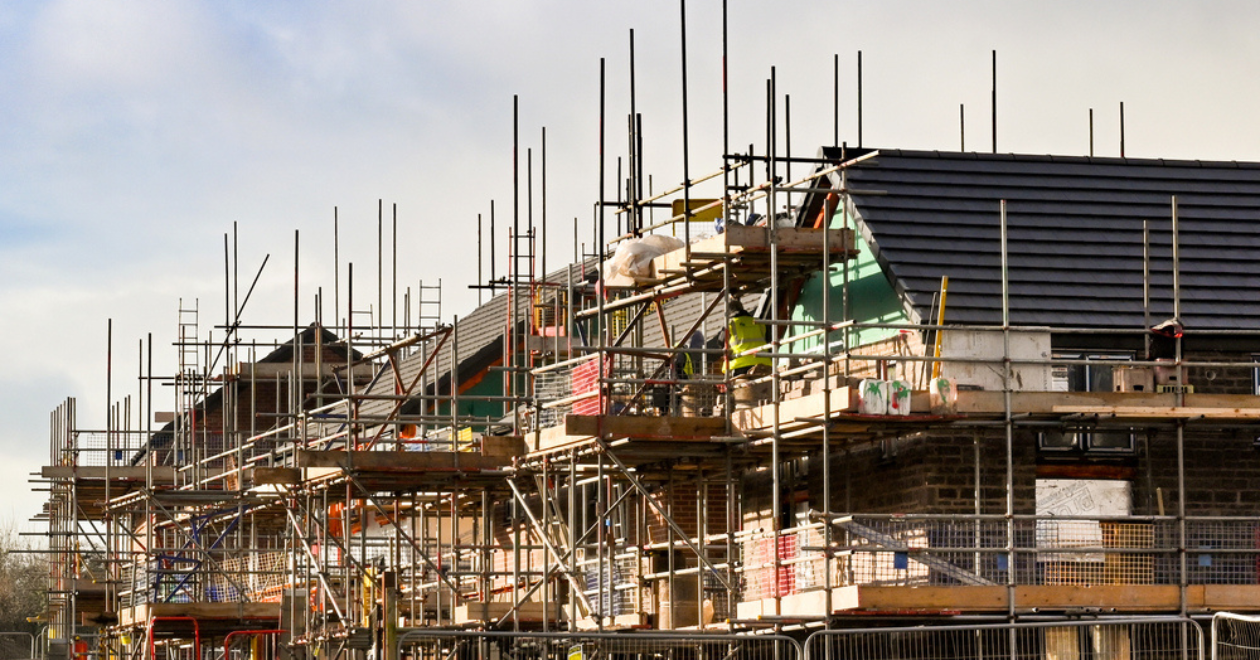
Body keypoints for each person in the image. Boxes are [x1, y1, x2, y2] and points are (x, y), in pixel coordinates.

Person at [724, 299, 771, 376]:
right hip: (763, 361)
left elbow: (721, 341)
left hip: (741, 363)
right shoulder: (758, 322)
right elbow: (768, 338)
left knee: (742, 387)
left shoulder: (731, 323)